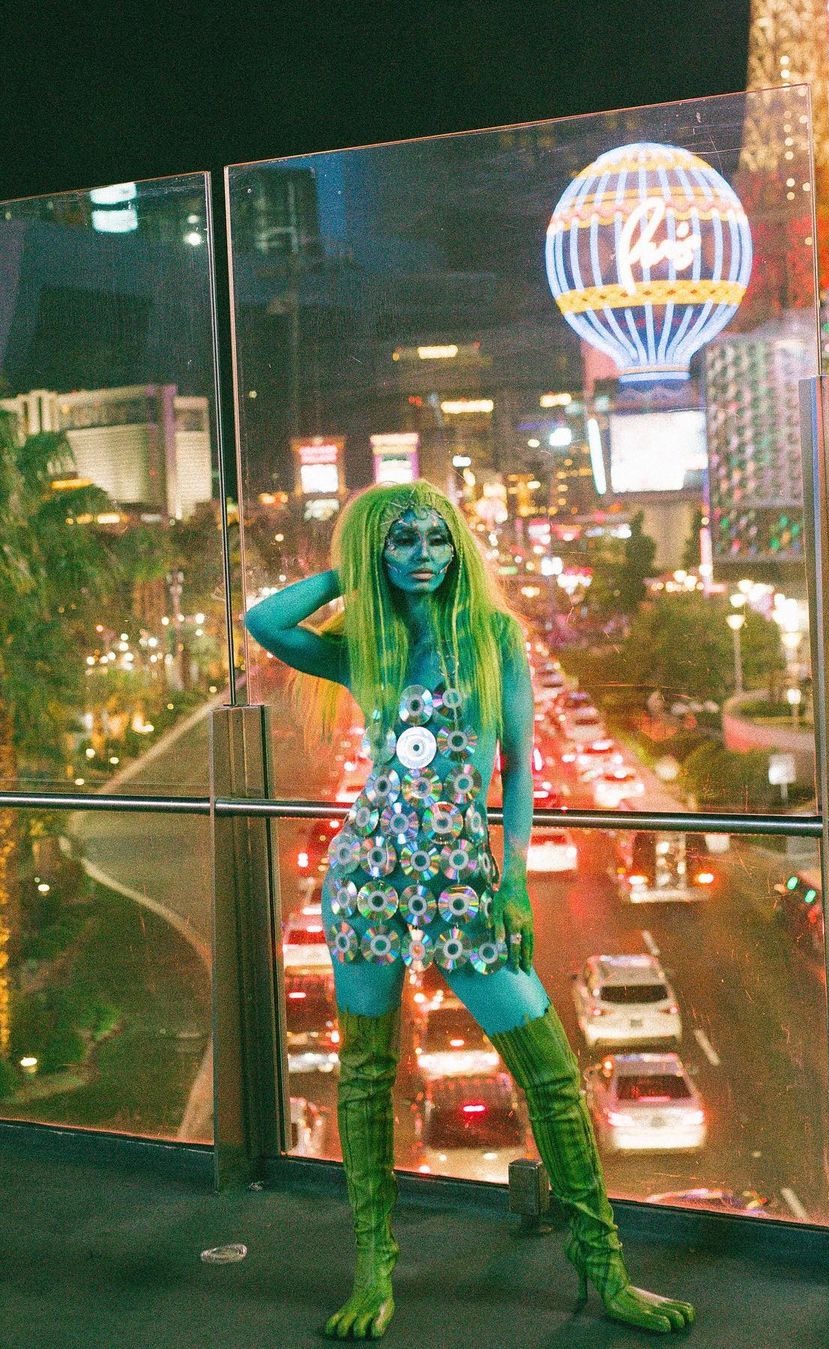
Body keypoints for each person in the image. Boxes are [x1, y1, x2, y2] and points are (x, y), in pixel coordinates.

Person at [245, 481, 695, 1339]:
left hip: (461, 876)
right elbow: (265, 621)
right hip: (368, 870)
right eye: (402, 541)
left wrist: (513, 879)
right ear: (378, 554)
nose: (424, 555)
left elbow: (520, 766)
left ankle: (605, 1268)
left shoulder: (493, 637)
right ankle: (374, 1269)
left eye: (437, 538)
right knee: (366, 1074)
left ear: (458, 548)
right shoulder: (368, 645)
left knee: (551, 1073)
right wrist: (349, 572)